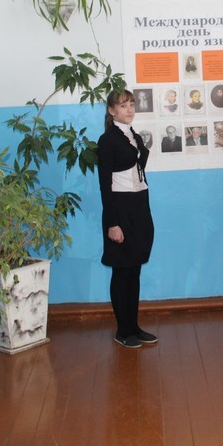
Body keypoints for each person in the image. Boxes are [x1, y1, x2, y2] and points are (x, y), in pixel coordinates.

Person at [97, 90, 158, 349]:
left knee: (134, 270)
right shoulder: (107, 140)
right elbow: (105, 185)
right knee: (122, 272)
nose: (130, 109)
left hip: (139, 206)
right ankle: (122, 330)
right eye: (123, 106)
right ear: (112, 110)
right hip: (120, 210)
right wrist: (113, 223)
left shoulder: (133, 135)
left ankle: (134, 327)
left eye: (132, 104)